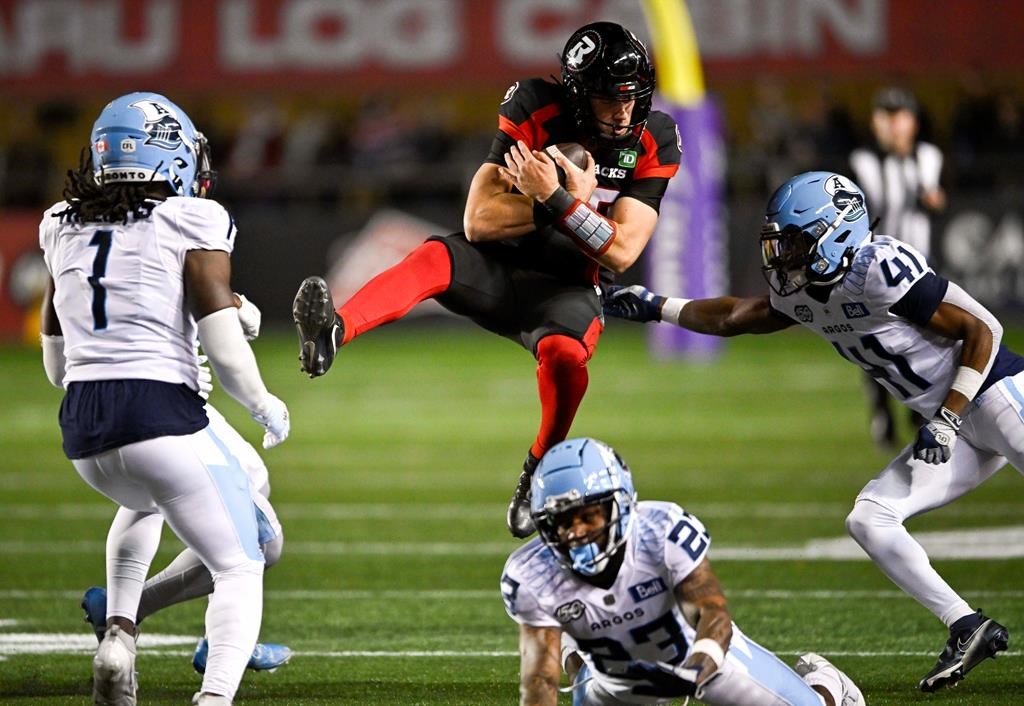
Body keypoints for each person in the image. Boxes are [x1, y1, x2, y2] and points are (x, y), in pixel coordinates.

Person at [603, 171, 1014, 692]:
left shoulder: (877, 267)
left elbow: (984, 331)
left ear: (837, 232)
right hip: (948, 423)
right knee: (870, 519)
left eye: (794, 243)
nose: (783, 258)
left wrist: (951, 415)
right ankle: (966, 625)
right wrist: (657, 307)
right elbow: (738, 316)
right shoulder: (811, 288)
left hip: (995, 393)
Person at [291, 21, 680, 539]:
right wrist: (554, 206)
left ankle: (536, 468)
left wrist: (560, 199)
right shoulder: (535, 106)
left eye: (632, 98)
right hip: (497, 268)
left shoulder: (658, 136)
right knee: (432, 258)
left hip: (565, 287)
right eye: (610, 99)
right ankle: (334, 331)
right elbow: (478, 220)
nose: (624, 111)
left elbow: (624, 250)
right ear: (578, 95)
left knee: (567, 359)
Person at [39, 92, 290, 706]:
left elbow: (55, 362)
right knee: (245, 558)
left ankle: (119, 635)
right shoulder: (191, 217)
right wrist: (262, 400)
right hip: (159, 414)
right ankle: (214, 693)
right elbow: (223, 347)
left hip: (83, 426)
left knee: (183, 495)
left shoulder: (59, 223)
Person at [501, 437, 864, 706]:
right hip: (613, 678)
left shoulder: (660, 530)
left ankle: (827, 686)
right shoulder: (532, 574)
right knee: (581, 655)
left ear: (620, 506)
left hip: (699, 653)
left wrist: (696, 669)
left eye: (587, 516)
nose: (577, 532)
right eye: (564, 523)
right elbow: (540, 679)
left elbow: (712, 612)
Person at [79, 335, 292, 676]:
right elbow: (213, 320)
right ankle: (218, 665)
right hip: (164, 402)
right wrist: (262, 404)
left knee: (152, 497)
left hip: (86, 410)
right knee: (261, 541)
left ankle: (120, 619)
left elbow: (56, 362)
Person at [849, 87, 946, 448]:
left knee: (927, 340)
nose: (892, 124)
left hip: (919, 265)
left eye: (899, 115)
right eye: (885, 116)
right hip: (872, 268)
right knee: (873, 340)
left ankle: (920, 410)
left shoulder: (928, 156)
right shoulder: (861, 161)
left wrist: (933, 198)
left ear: (913, 122)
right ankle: (882, 413)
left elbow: (938, 202)